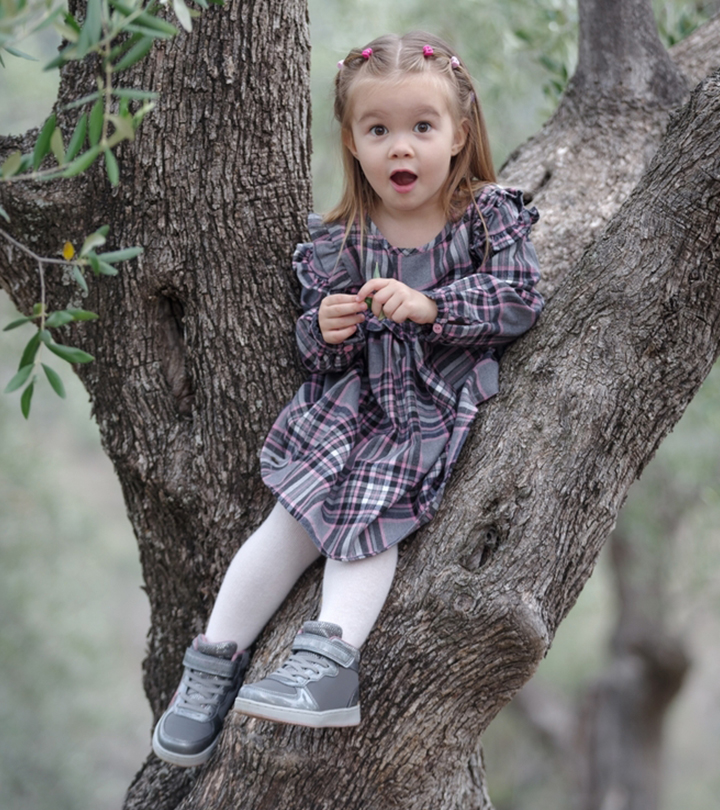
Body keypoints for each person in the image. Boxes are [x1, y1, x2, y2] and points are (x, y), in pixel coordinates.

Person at [152, 30, 544, 767]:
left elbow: (522, 301)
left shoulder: (487, 216)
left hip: (426, 406)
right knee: (289, 519)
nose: (402, 148)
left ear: (460, 133)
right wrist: (326, 328)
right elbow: (311, 349)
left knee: (370, 522)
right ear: (353, 143)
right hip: (349, 405)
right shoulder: (337, 242)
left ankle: (330, 660)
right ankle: (211, 664)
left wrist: (432, 307)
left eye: (421, 128)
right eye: (379, 130)